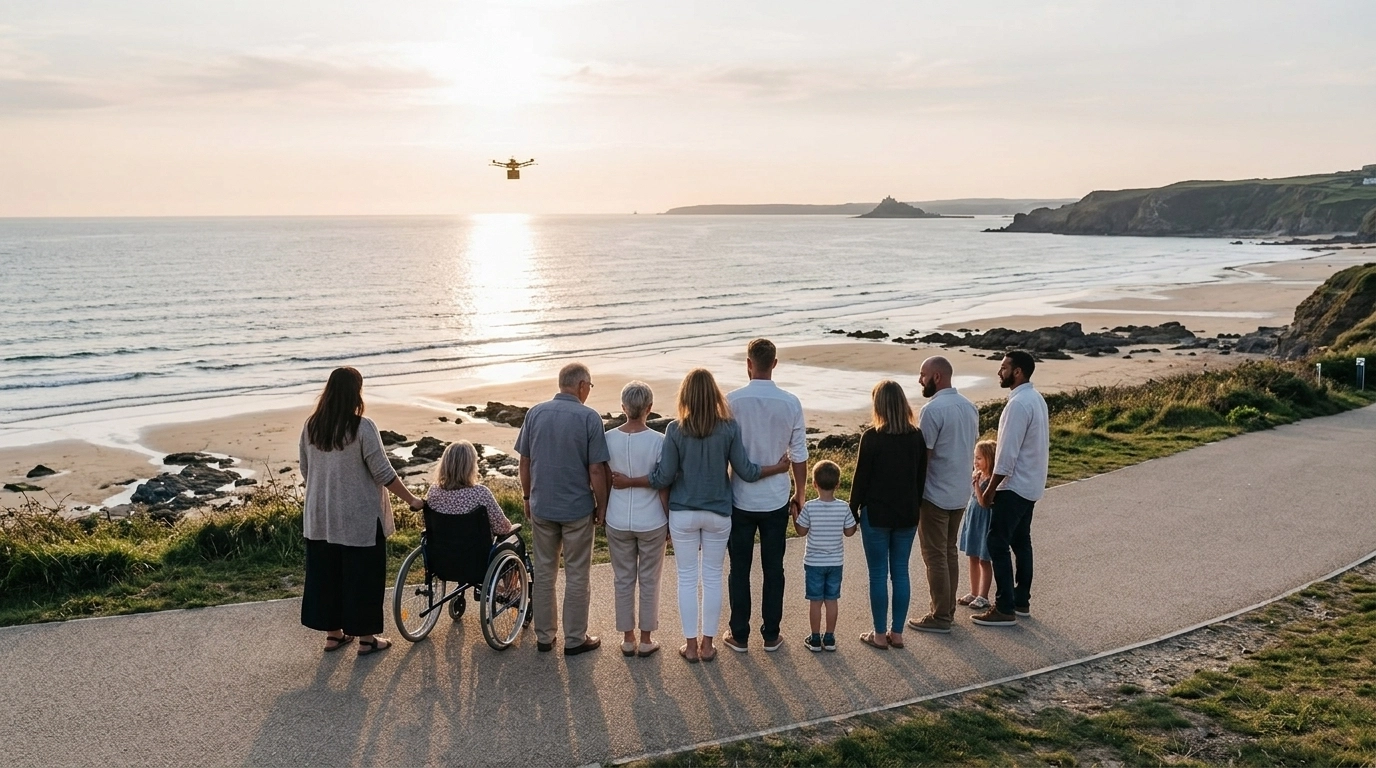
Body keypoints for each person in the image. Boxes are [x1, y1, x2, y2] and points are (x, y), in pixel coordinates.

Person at [611, 368, 790, 663]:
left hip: (683, 513)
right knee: (712, 578)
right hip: (719, 512)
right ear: (714, 394)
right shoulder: (728, 428)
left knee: (686, 579)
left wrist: (630, 480)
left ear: (685, 395)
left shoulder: (675, 429)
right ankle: (708, 646)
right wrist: (778, 468)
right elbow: (747, 471)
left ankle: (691, 646)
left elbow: (663, 477)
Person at [299, 366, 424, 657]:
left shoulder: (311, 426)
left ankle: (334, 636)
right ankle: (367, 640)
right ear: (355, 393)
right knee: (363, 578)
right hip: (359, 518)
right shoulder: (362, 427)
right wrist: (412, 500)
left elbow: (306, 469)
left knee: (326, 576)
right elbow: (383, 472)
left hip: (319, 516)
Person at [514, 362, 611, 656]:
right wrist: (602, 505)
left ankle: (545, 637)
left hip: (542, 506)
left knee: (544, 572)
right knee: (577, 574)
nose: (589, 391)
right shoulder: (589, 417)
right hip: (576, 508)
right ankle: (575, 639)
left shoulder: (535, 413)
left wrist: (527, 497)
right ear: (581, 385)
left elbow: (525, 461)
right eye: (589, 386)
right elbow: (596, 469)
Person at [724, 338, 808, 654]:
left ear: (748, 363)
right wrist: (800, 494)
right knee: (774, 569)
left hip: (739, 498)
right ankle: (771, 635)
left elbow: (722, 451)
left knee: (739, 569)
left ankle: (740, 635)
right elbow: (799, 454)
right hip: (775, 499)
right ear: (774, 363)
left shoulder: (731, 401)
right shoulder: (791, 402)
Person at [849, 379, 927, 650]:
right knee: (901, 572)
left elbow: (860, 479)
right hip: (907, 514)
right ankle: (898, 633)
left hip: (877, 514)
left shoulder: (872, 437)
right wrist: (915, 507)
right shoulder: (916, 437)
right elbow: (920, 478)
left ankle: (879, 634)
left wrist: (852, 510)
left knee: (878, 575)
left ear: (879, 405)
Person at [974, 350, 1049, 627]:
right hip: (1032, 483)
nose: (999, 372)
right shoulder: (1037, 399)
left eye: (1004, 367)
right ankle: (1021, 601)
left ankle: (1004, 607)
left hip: (1014, 485)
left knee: (997, 542)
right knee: (1021, 542)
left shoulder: (1017, 405)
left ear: (1018, 372)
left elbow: (1007, 453)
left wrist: (991, 488)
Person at [910, 355, 979, 634]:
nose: (920, 380)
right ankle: (947, 610)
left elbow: (923, 457)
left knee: (935, 555)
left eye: (923, 374)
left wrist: (913, 493)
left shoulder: (932, 410)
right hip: (960, 491)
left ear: (936, 377)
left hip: (936, 493)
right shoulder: (970, 407)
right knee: (948, 551)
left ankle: (940, 616)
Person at [604, 381, 669, 658]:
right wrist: (668, 518)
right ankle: (646, 639)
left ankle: (627, 638)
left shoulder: (608, 439)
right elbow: (663, 484)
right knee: (650, 580)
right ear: (649, 408)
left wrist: (602, 509)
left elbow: (602, 478)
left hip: (617, 517)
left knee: (623, 579)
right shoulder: (659, 441)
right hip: (652, 519)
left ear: (623, 407)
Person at [793, 460, 857, 652]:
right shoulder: (843, 507)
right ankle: (829, 638)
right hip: (835, 563)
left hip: (814, 563)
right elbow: (850, 532)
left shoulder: (810, 507)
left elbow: (802, 531)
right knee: (831, 600)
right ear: (838, 484)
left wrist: (795, 516)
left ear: (814, 484)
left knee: (815, 601)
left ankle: (814, 638)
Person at [426, 440, 520, 543]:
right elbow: (502, 529)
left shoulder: (433, 491)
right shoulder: (481, 493)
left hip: (441, 549)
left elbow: (428, 523)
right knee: (515, 540)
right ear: (471, 466)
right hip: (478, 550)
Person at [956, 440, 997, 610]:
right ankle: (974, 592)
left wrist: (976, 486)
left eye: (979, 458)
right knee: (972, 556)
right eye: (975, 458)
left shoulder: (991, 480)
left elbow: (983, 502)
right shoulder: (978, 475)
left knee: (983, 559)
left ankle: (983, 596)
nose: (975, 461)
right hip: (973, 519)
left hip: (984, 521)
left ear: (989, 459)